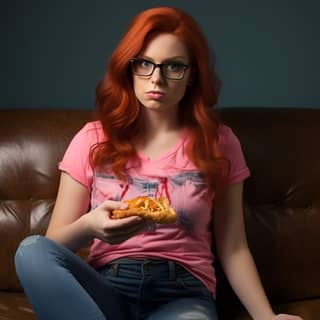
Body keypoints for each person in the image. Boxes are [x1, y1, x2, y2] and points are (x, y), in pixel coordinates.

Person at [15, 6, 303, 320]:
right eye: (145, 64)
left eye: (173, 67)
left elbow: (233, 247)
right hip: (107, 287)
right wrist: (89, 226)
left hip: (182, 295)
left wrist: (267, 317)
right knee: (31, 250)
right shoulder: (92, 139)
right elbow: (54, 246)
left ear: (191, 74)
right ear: (128, 67)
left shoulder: (219, 142)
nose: (157, 79)